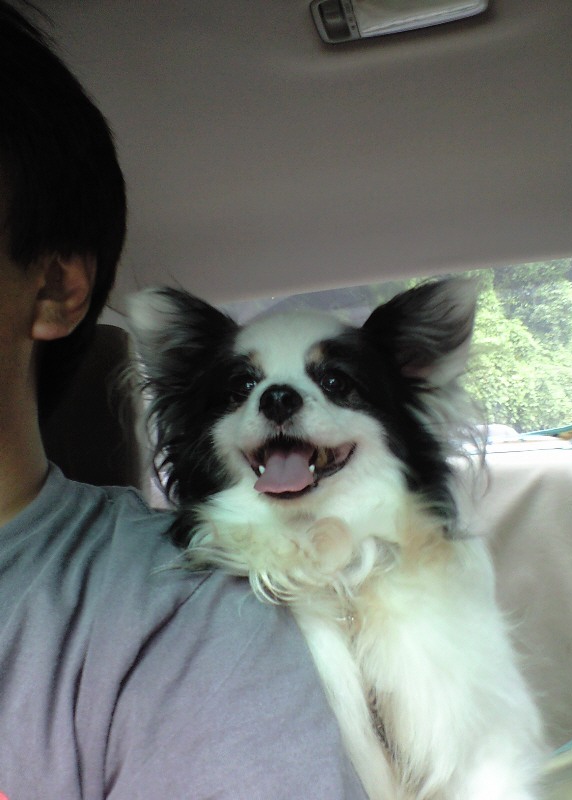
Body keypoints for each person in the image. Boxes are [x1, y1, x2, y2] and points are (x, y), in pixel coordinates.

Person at [0, 3, 367, 797]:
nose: (282, 403)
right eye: (243, 387)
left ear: (54, 287)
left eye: (336, 384)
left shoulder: (189, 619)